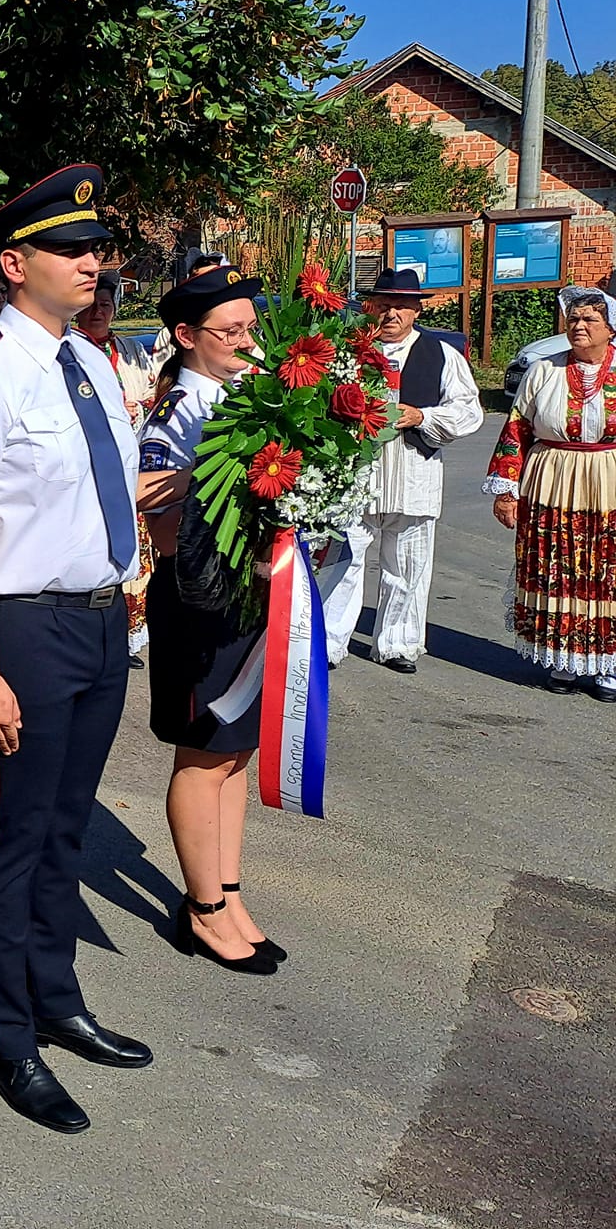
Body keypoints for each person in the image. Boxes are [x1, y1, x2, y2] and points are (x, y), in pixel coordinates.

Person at [0, 163, 149, 1134]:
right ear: (15, 264)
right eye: (71, 248)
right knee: (9, 841)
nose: (91, 262)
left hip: (99, 621)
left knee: (64, 830)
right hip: (23, 629)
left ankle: (54, 998)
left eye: (97, 248)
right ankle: (3, 1035)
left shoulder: (90, 361)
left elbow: (100, 491)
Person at [136, 266, 281, 977]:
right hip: (202, 604)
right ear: (187, 336)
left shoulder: (247, 399)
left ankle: (226, 893)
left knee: (235, 755)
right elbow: (161, 523)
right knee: (203, 753)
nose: (246, 342)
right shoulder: (179, 414)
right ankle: (203, 911)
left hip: (248, 599)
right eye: (230, 332)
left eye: (250, 328)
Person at [319, 268, 484, 674]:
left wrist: (422, 416)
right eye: (385, 305)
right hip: (356, 473)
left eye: (402, 307)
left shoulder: (441, 354)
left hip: (413, 472)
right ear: (371, 308)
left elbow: (469, 411)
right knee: (345, 557)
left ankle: (398, 643)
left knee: (408, 562)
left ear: (416, 311)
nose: (392, 314)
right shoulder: (347, 352)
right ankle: (328, 641)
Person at [486, 285, 616, 698]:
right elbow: (516, 430)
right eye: (573, 319)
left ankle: (607, 665)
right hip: (551, 475)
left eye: (589, 320)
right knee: (554, 561)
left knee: (606, 568)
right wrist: (506, 491)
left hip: (608, 477)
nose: (578, 326)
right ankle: (561, 658)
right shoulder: (543, 371)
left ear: (609, 329)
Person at [74, 270, 159, 665]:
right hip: (84, 468)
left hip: (129, 465)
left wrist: (136, 408)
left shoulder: (129, 350)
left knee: (132, 552)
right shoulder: (67, 348)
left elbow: (154, 395)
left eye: (105, 306)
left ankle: (126, 633)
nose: (98, 312)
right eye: (91, 305)